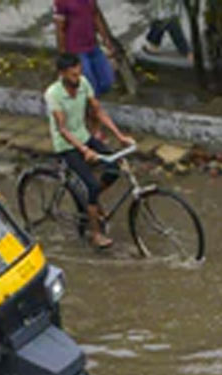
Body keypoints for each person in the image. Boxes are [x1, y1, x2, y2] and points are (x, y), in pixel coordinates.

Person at [46, 52, 135, 250]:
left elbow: (97, 110)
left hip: (85, 136)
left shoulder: (84, 84)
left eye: (79, 73)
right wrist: (84, 149)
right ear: (62, 74)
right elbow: (62, 129)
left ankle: (89, 204)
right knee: (92, 186)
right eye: (73, 76)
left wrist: (119, 136)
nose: (77, 78)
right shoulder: (53, 94)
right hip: (67, 146)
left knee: (113, 169)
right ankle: (95, 234)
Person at [54, 0, 116, 96]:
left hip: (93, 45)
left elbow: (95, 16)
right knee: (91, 87)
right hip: (76, 50)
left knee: (107, 82)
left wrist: (105, 39)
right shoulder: (61, 2)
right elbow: (60, 29)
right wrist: (63, 55)